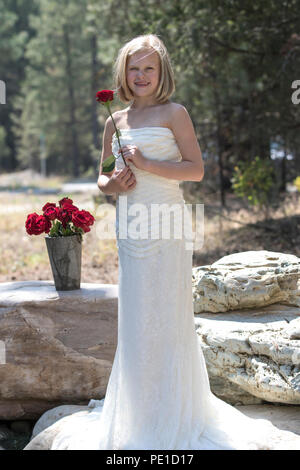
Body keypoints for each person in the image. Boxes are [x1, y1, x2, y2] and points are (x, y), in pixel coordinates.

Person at [38, 34, 298, 450]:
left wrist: (146, 164)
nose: (141, 76)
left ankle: (176, 412)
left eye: (149, 68)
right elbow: (103, 179)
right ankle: (139, 415)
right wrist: (117, 182)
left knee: (167, 315)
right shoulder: (115, 121)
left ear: (162, 73)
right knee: (138, 319)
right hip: (132, 225)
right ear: (124, 73)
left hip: (168, 225)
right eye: (134, 69)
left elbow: (195, 170)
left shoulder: (175, 113)